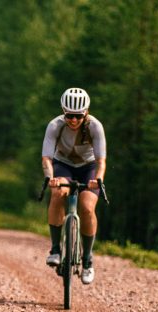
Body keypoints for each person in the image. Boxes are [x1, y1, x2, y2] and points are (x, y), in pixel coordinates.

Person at [41, 87, 106, 284]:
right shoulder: (55, 125)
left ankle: (87, 260)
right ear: (63, 111)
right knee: (58, 193)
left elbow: (101, 161)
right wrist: (50, 177)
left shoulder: (95, 126)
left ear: (85, 112)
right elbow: (46, 158)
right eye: (69, 115)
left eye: (78, 116)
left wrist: (99, 179)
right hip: (63, 166)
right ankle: (55, 249)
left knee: (86, 207)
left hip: (89, 167)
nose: (74, 120)